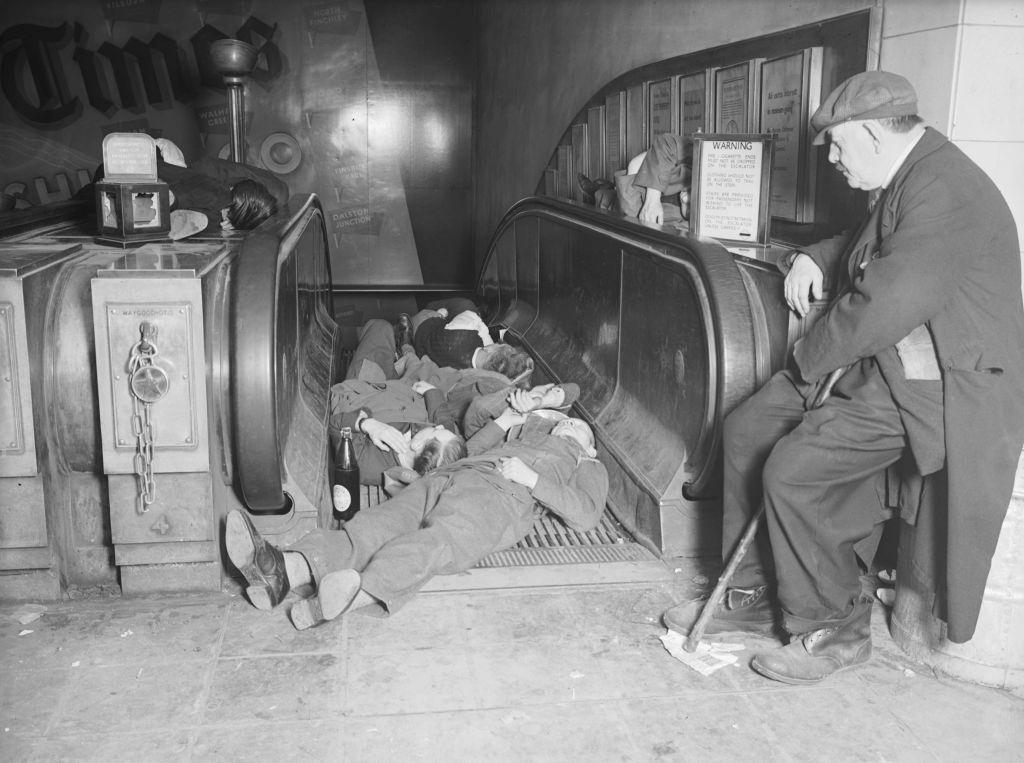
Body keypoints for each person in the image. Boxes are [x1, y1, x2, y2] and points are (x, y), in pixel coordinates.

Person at [660, 71, 1024, 685]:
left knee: (796, 469)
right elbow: (867, 245)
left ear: (876, 135)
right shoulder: (910, 171)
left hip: (935, 387)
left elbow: (884, 303)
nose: (831, 159)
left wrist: (808, 361)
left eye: (838, 145)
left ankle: (833, 626)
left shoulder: (947, 187)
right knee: (749, 429)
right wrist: (815, 255)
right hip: (885, 359)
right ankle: (749, 596)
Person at [224, 406, 607, 628]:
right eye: (565, 420)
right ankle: (285, 569)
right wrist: (508, 420)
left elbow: (586, 515)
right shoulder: (525, 438)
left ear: (588, 445)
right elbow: (470, 447)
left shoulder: (586, 463)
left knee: (434, 543)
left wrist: (533, 479)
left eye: (578, 426)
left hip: (503, 497)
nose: (568, 423)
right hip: (449, 477)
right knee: (376, 525)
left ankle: (357, 592)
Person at [409, 298, 534, 380]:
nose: (496, 343)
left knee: (466, 305)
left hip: (422, 326)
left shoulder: (465, 332)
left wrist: (482, 330)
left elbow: (471, 316)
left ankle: (430, 307)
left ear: (488, 350)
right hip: (424, 351)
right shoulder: (471, 376)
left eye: (498, 344)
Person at [613, 133, 693, 224]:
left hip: (626, 202)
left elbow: (637, 216)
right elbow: (667, 143)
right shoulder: (700, 158)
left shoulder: (682, 216)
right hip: (629, 185)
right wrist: (652, 200)